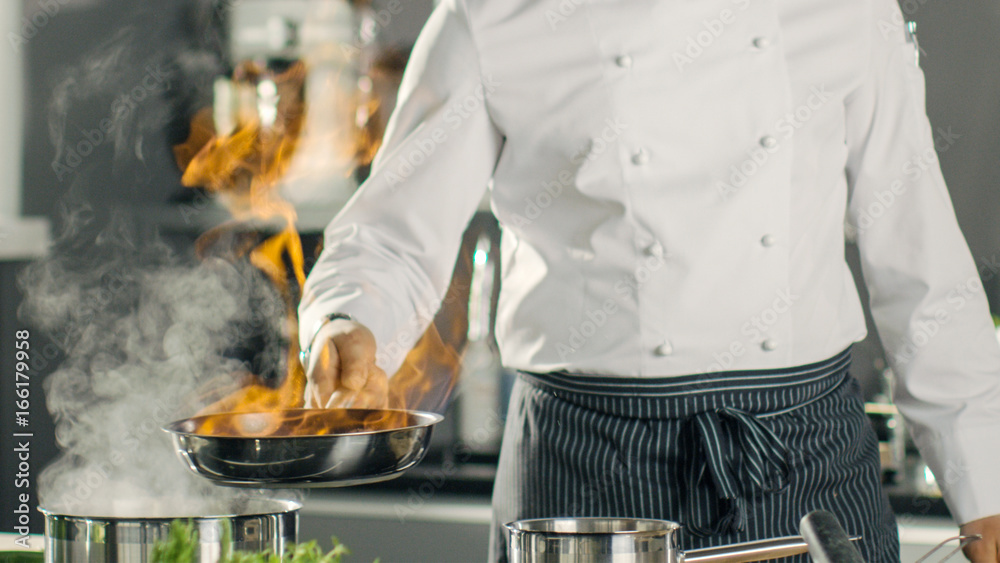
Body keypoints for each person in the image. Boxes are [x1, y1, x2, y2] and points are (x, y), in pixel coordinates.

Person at [297, 0, 1000, 560]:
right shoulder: (491, 15)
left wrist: (986, 479)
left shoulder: (845, 10)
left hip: (803, 459)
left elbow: (919, 250)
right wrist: (348, 324)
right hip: (586, 466)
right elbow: (390, 235)